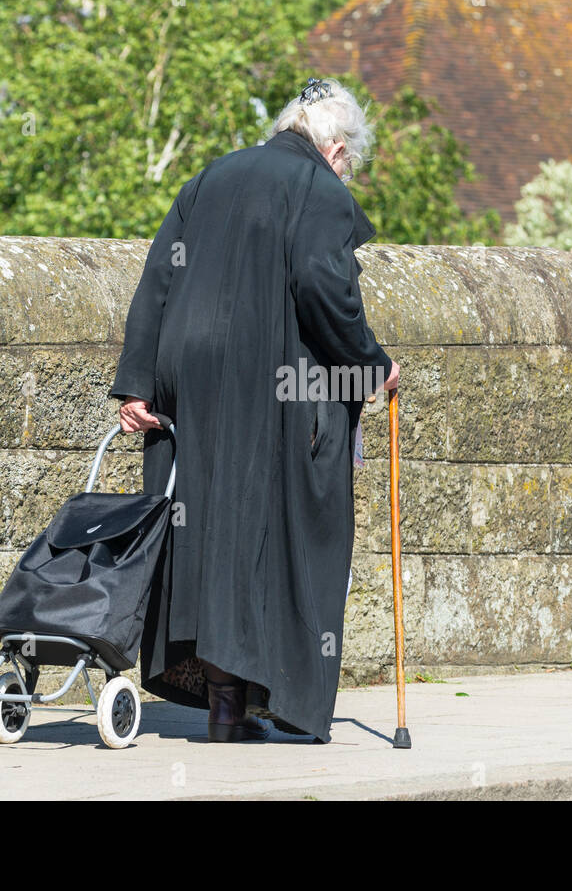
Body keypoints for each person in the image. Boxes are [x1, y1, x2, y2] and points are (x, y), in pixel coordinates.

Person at [109, 77, 399, 744]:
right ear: (335, 147)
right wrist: (373, 363)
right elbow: (325, 288)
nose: (347, 172)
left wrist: (138, 382)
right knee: (279, 528)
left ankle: (226, 704)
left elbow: (159, 277)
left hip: (189, 370)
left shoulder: (213, 176)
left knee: (206, 528)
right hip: (269, 375)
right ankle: (256, 698)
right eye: (349, 160)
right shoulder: (320, 190)